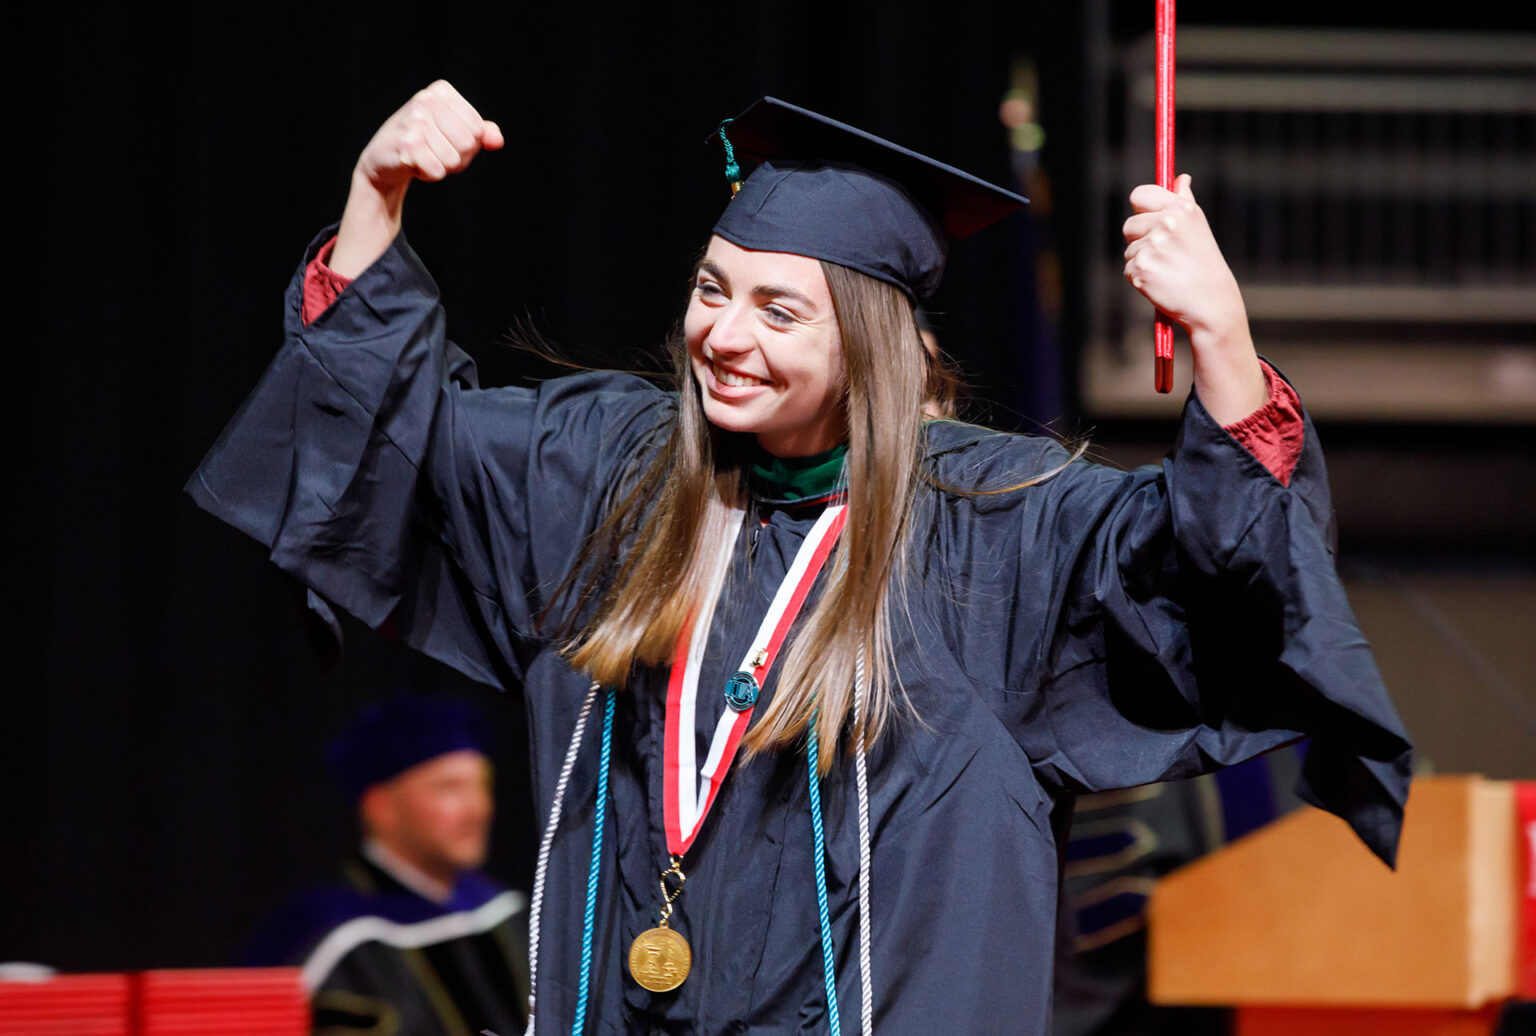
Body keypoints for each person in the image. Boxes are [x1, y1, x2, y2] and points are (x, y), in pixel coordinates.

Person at [189, 81, 1411, 1034]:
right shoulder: (612, 479)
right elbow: (392, 441)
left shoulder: (994, 527)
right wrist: (375, 195)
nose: (722, 335)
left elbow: (1218, 573)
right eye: (714, 289)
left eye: (780, 310)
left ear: (871, 343)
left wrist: (1223, 339)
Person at [244, 694, 529, 1035]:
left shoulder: (504, 914)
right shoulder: (324, 935)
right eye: (449, 788)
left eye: (482, 786)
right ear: (381, 808)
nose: (478, 809)